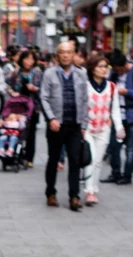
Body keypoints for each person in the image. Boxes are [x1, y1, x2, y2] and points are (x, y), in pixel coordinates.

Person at [41, 41, 89, 211]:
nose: (66, 55)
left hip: (75, 125)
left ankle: (74, 196)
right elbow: (44, 98)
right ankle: (50, 193)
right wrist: (51, 118)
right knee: (53, 160)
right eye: (62, 52)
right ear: (58, 55)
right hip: (56, 125)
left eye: (69, 52)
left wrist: (84, 124)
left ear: (74, 54)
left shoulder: (82, 75)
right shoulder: (49, 74)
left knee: (75, 161)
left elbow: (84, 100)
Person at [102, 51, 133, 184]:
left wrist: (128, 92)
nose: (118, 73)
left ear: (125, 65)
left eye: (119, 70)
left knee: (131, 148)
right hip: (117, 116)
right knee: (113, 146)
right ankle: (115, 173)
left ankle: (127, 175)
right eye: (115, 70)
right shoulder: (113, 75)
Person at [83, 54, 125, 206]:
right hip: (87, 129)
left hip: (104, 129)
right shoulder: (85, 85)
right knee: (90, 159)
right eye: (100, 66)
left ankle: (94, 189)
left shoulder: (111, 87)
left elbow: (115, 110)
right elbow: (81, 107)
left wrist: (119, 127)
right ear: (92, 69)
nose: (103, 70)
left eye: (105, 67)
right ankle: (89, 191)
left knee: (98, 161)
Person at [7, 50, 45, 168]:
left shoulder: (38, 73)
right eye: (26, 58)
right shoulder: (16, 72)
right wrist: (12, 92)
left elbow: (44, 89)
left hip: (33, 106)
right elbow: (8, 85)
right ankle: (16, 155)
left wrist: (35, 89)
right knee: (17, 130)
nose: (29, 61)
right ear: (22, 60)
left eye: (31, 59)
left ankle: (29, 158)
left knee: (31, 132)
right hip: (18, 106)